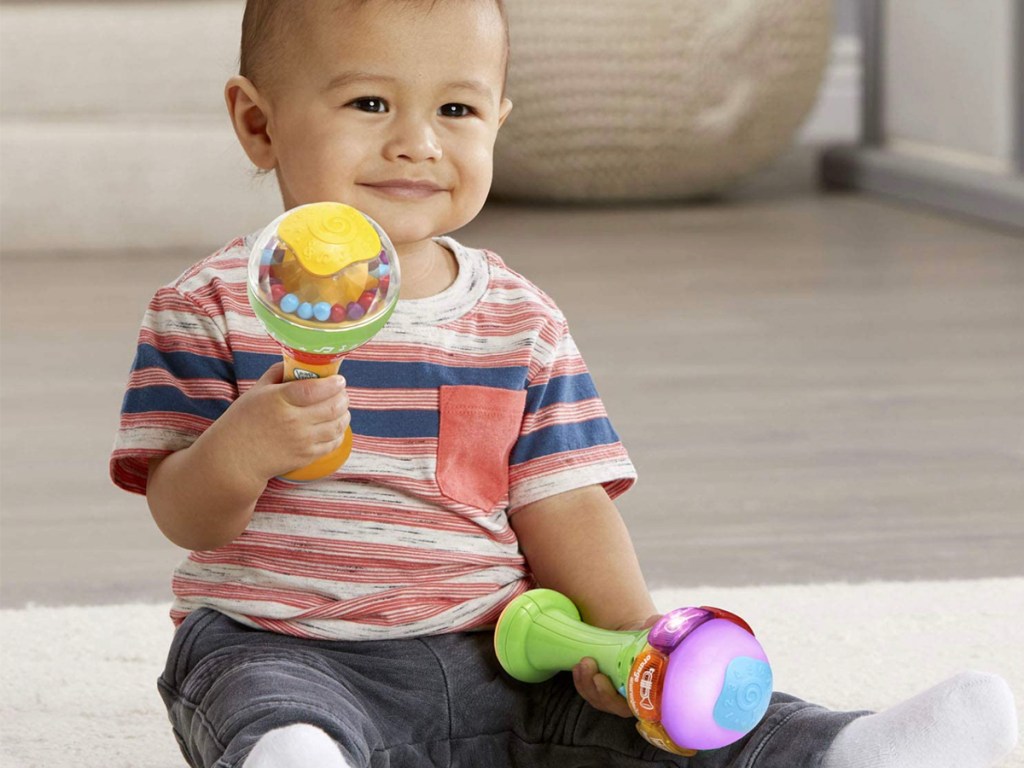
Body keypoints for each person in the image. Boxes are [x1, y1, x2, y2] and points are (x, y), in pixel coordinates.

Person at [110, 0, 1018, 766]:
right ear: (259, 123)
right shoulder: (211, 306)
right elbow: (184, 514)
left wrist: (630, 642)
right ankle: (300, 754)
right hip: (283, 644)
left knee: (670, 723)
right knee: (266, 704)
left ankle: (844, 749)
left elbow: (564, 502)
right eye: (371, 102)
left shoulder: (520, 319)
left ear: (499, 120)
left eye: (457, 110)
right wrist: (243, 447)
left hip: (494, 649)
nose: (418, 143)